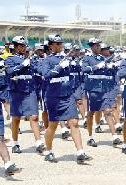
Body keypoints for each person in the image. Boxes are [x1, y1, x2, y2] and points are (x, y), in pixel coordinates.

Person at [43, 35, 92, 163]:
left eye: (60, 44)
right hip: (54, 95)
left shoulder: (67, 58)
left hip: (67, 94)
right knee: (53, 125)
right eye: (57, 44)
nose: (60, 46)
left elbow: (75, 75)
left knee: (74, 122)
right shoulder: (47, 60)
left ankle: (80, 151)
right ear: (51, 46)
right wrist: (60, 67)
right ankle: (48, 151)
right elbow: (46, 75)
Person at [5, 36, 45, 154]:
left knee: (34, 116)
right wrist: (23, 65)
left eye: (25, 46)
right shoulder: (10, 59)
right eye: (21, 46)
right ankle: (15, 143)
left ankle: (39, 142)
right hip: (17, 89)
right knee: (16, 118)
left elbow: (37, 70)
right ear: (16, 47)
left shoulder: (30, 59)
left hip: (29, 89)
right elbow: (10, 71)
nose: (24, 48)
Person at [82, 37, 122, 147]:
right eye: (96, 46)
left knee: (107, 111)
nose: (98, 47)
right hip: (92, 88)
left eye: (99, 45)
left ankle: (115, 136)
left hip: (103, 88)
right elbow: (84, 69)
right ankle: (90, 137)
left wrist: (112, 67)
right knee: (91, 113)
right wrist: (95, 67)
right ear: (91, 47)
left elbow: (111, 72)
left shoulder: (103, 58)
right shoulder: (87, 58)